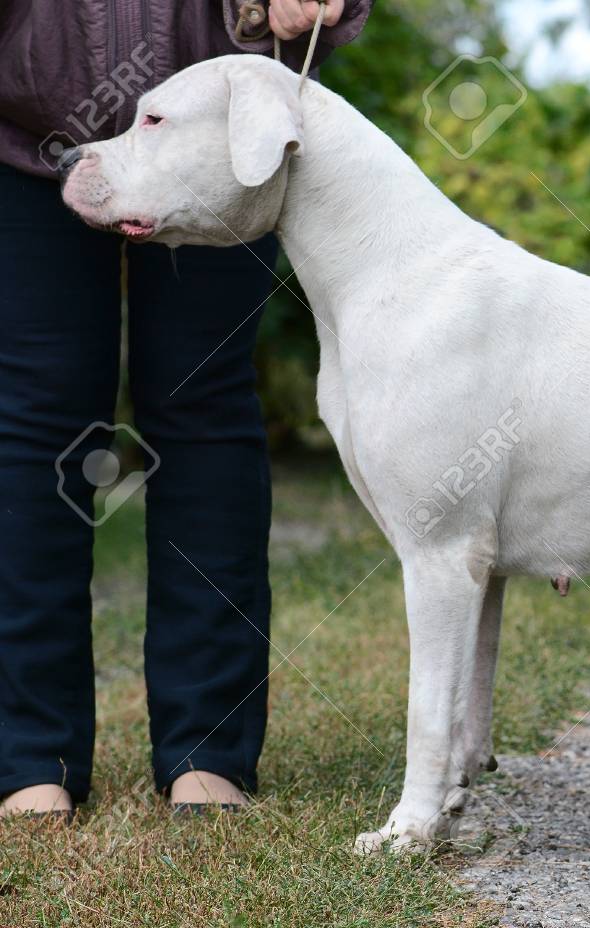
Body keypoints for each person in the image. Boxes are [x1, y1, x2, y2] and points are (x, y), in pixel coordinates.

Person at [0, 0, 371, 818]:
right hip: (23, 131)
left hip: (216, 137)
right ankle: (28, 752)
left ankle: (209, 748)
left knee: (204, 406)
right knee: (35, 422)